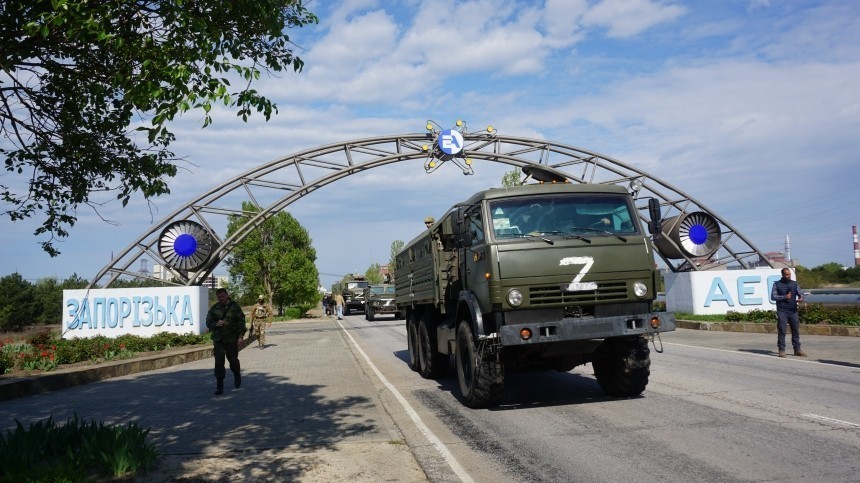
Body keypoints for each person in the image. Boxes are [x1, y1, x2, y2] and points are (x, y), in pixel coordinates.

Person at [206, 288, 246, 395]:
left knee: (233, 360)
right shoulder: (214, 308)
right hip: (218, 339)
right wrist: (215, 324)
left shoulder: (234, 306)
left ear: (227, 295)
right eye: (219, 297)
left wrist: (240, 336)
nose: (221, 298)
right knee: (219, 362)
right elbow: (208, 322)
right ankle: (220, 386)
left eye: (223, 296)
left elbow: (241, 322)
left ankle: (237, 374)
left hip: (231, 338)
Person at [770, 268, 806, 358]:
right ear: (782, 275)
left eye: (789, 274)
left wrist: (801, 297)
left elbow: (800, 292)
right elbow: (773, 297)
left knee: (795, 330)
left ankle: (797, 349)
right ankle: (781, 350)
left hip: (793, 310)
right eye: (786, 274)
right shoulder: (776, 284)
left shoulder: (794, 284)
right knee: (782, 330)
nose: (788, 276)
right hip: (782, 311)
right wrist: (785, 296)